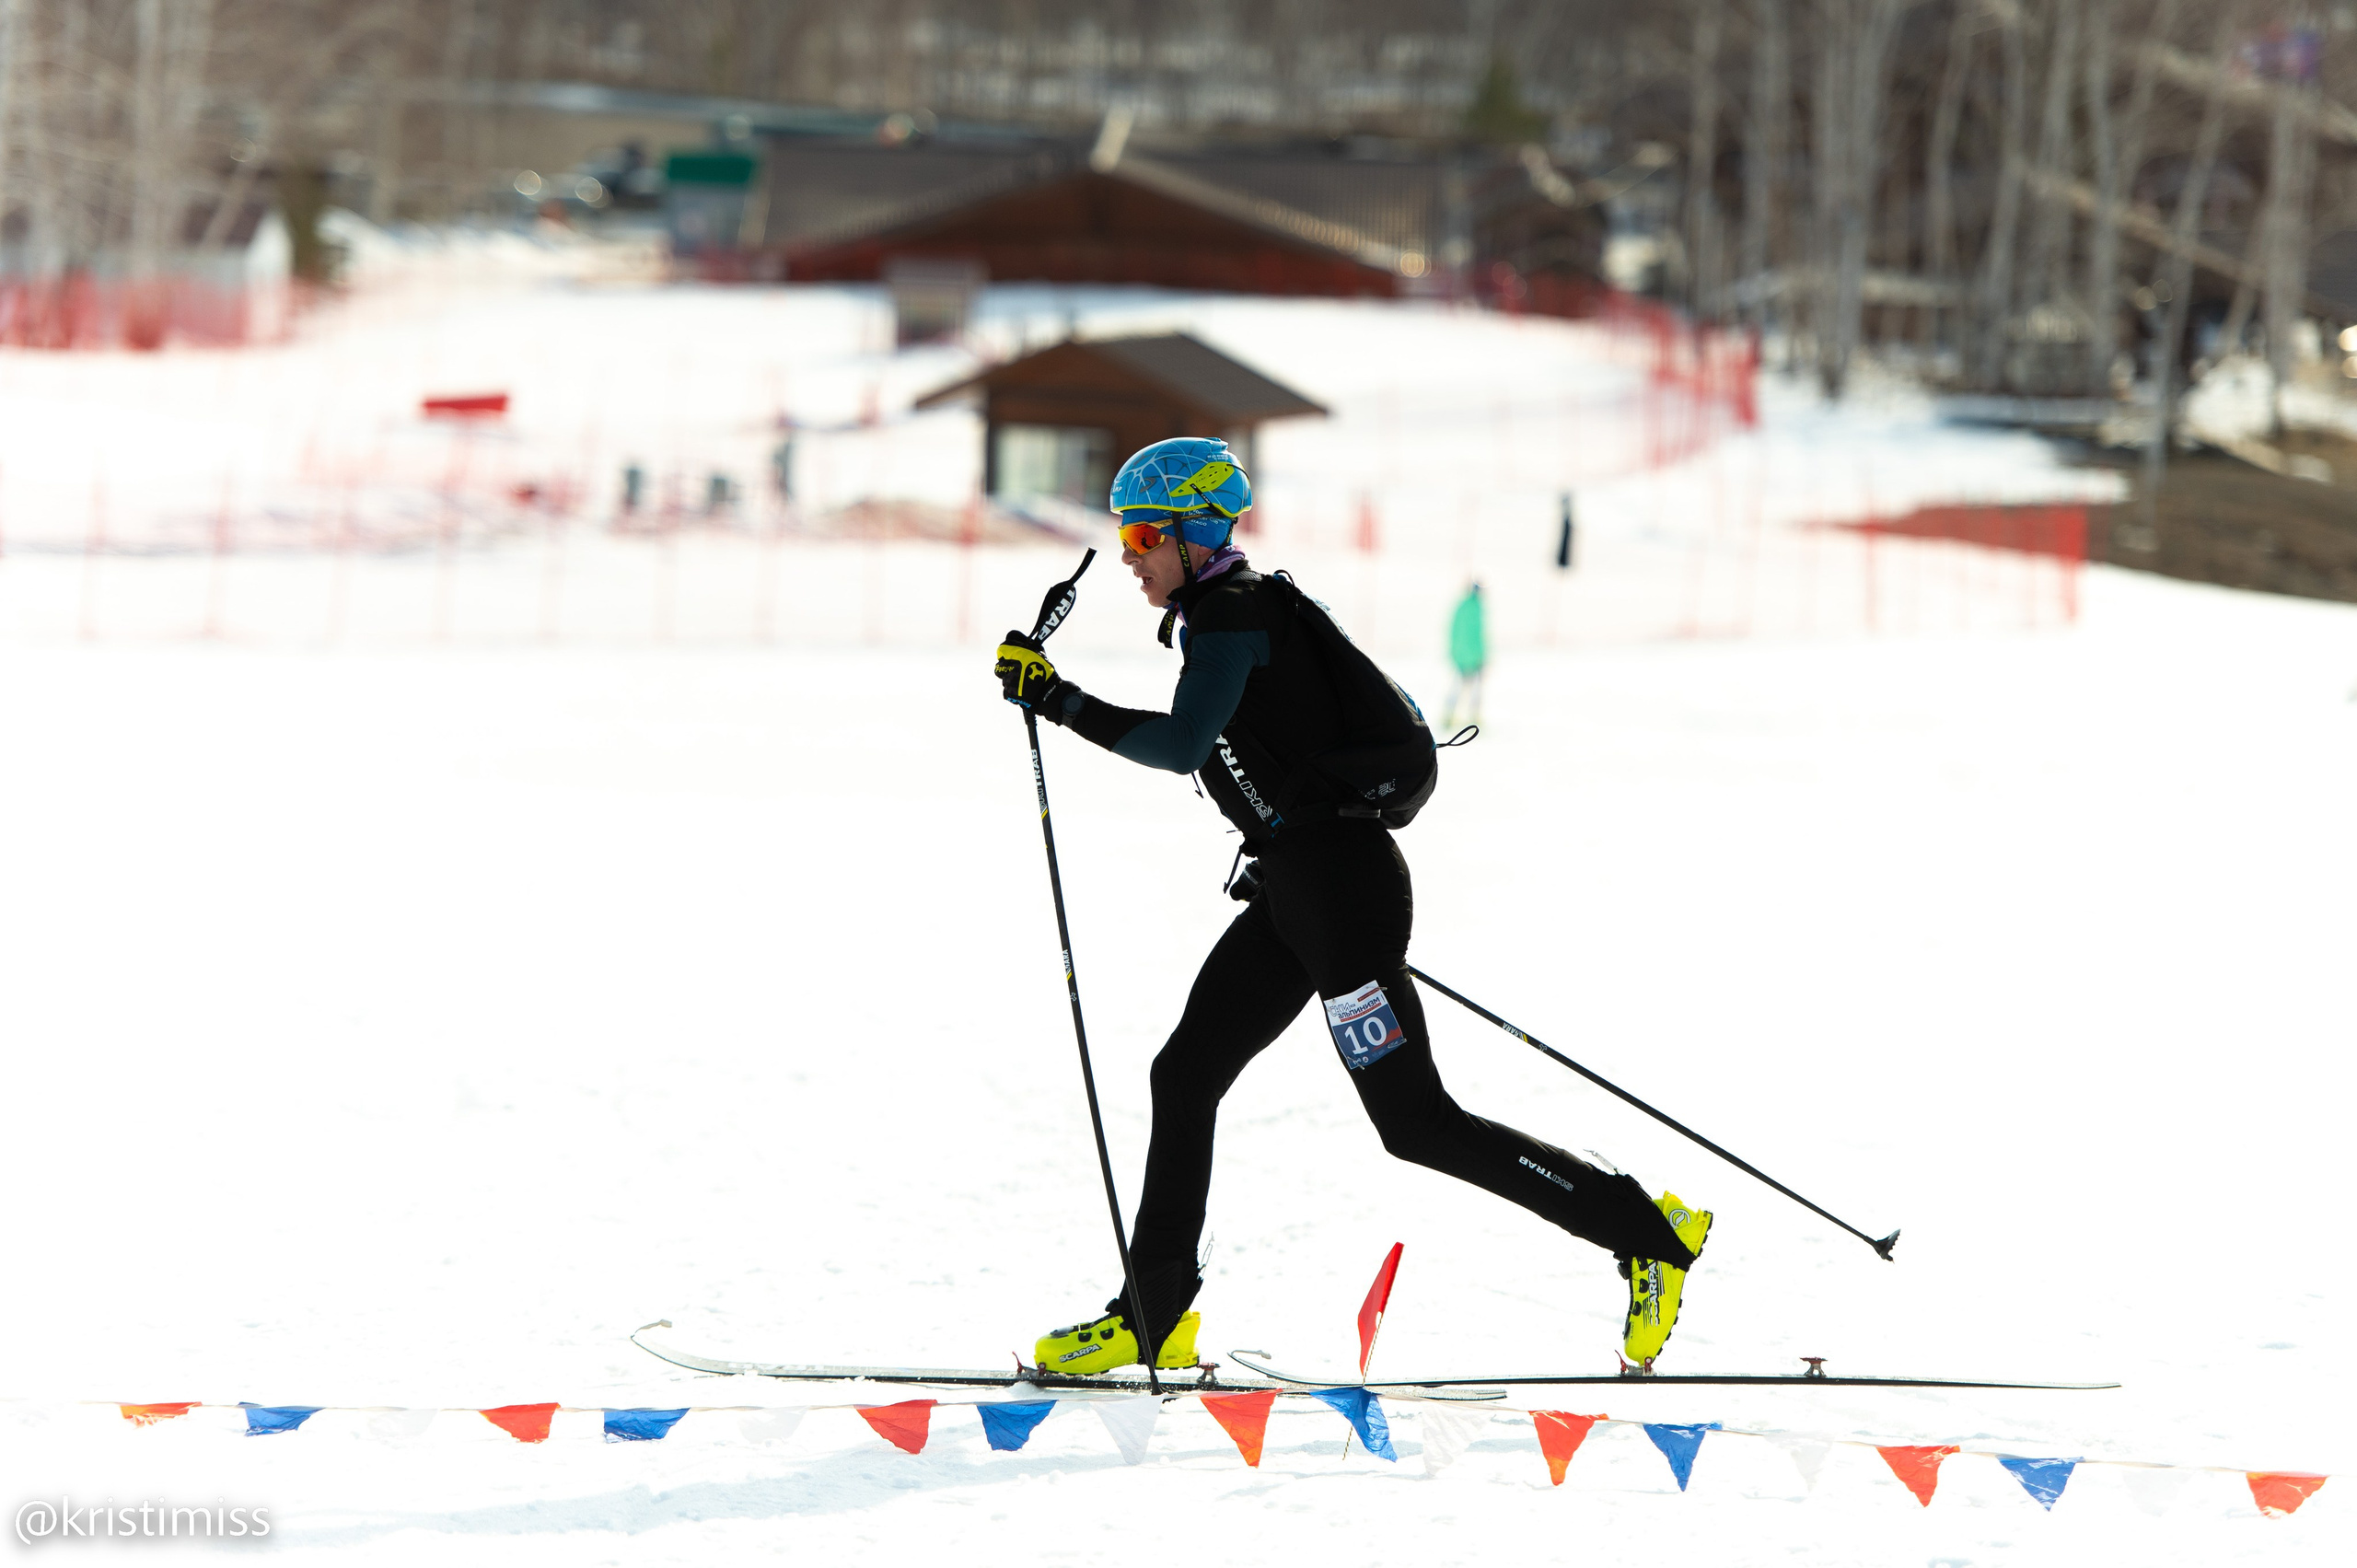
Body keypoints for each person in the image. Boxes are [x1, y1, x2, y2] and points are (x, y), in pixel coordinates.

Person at [993, 437, 1710, 1377]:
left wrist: (1057, 699)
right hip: (1299, 896)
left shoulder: (1233, 614)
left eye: (1139, 533)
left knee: (1415, 1123)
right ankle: (1154, 1309)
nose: (1127, 554)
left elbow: (1179, 745)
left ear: (1192, 533)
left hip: (1340, 898)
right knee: (1185, 1072)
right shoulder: (1228, 614)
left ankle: (1646, 1232)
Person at [1445, 580, 1486, 731]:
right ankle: (1472, 717)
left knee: (1463, 687)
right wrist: (1481, 655)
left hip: (1463, 656)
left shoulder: (1464, 607)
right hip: (1471, 657)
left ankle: (1451, 716)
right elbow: (1477, 636)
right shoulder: (1475, 608)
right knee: (1470, 687)